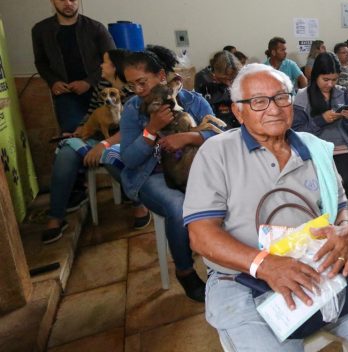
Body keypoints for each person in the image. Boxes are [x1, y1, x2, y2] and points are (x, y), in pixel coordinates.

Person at [183, 63, 348, 351]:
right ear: (238, 111)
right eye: (258, 101)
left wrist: (346, 229)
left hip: (317, 268)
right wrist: (265, 265)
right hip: (241, 278)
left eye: (282, 97)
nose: (274, 109)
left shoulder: (314, 148)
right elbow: (201, 236)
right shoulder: (217, 152)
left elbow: (341, 206)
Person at [119, 50, 220, 302]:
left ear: (161, 76)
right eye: (131, 85)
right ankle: (185, 271)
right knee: (178, 207)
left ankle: (222, 262)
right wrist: (151, 130)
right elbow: (129, 159)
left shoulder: (193, 102)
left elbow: (220, 135)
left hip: (193, 169)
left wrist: (188, 137)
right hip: (151, 174)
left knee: (228, 197)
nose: (138, 90)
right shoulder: (133, 109)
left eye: (142, 82)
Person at [41, 49, 148, 243]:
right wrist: (80, 129)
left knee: (109, 156)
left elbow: (135, 127)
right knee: (66, 152)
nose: (100, 66)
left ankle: (140, 204)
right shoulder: (102, 86)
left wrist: (104, 145)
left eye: (105, 62)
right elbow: (91, 112)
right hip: (97, 136)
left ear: (115, 67)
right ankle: (56, 217)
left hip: (123, 139)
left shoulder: (134, 89)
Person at [32, 0, 115, 133]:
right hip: (66, 94)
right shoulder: (41, 30)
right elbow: (40, 62)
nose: (68, 4)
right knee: (73, 132)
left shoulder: (95, 28)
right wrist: (53, 82)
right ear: (52, 0)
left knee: (104, 131)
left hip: (99, 91)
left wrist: (88, 82)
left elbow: (112, 60)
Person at [293, 52, 348, 197]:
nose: (330, 84)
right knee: (323, 186)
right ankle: (331, 206)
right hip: (315, 151)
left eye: (334, 79)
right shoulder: (302, 97)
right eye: (325, 79)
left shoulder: (343, 93)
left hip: (342, 149)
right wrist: (321, 120)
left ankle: (334, 205)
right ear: (315, 75)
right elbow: (297, 134)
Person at [196, 50, 241, 129]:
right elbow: (206, 102)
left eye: (231, 79)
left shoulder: (237, 75)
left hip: (235, 120)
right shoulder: (203, 77)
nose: (228, 83)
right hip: (214, 119)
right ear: (216, 72)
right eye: (225, 78)